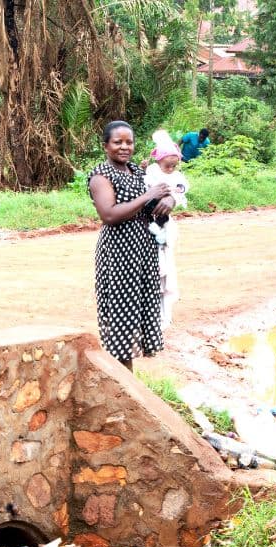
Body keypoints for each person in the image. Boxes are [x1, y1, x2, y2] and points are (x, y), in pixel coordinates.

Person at [88, 120, 175, 371]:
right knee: (121, 323)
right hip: (119, 254)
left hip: (143, 251)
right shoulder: (100, 176)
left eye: (129, 142)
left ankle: (130, 389)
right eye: (118, 142)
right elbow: (110, 214)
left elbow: (160, 197)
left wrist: (168, 199)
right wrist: (149, 195)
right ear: (106, 146)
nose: (124, 147)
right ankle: (124, 388)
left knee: (139, 313)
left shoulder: (137, 172)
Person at [143, 130, 188, 329]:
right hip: (148, 221)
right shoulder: (152, 171)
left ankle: (165, 315)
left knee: (165, 270)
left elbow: (183, 187)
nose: (170, 168)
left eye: (174, 165)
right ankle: (151, 315)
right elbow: (145, 185)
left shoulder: (177, 175)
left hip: (164, 224)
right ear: (159, 161)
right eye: (167, 165)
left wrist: (175, 194)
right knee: (153, 272)